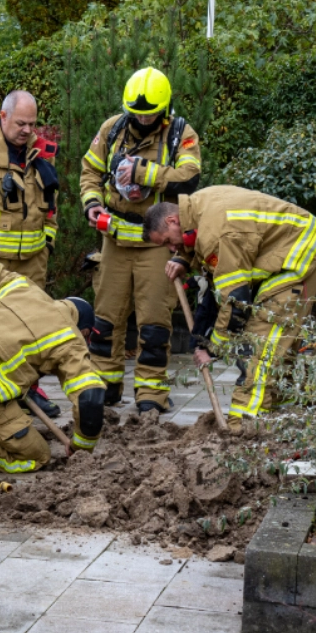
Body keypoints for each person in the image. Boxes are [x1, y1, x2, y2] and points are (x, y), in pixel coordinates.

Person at [143, 187, 316, 433]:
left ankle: (243, 427)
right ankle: (280, 412)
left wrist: (213, 348)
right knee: (279, 343)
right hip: (290, 247)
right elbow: (213, 256)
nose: (172, 249)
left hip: (301, 253)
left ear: (173, 221)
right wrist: (185, 259)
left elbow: (235, 301)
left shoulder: (217, 232)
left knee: (262, 342)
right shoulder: (197, 207)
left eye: (170, 242)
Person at [79, 67, 201, 413]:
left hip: (157, 245)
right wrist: (91, 202)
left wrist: (145, 172)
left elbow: (188, 179)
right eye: (137, 112)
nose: (143, 119)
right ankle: (106, 386)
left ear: (164, 109)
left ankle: (151, 395)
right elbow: (90, 170)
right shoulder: (112, 129)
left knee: (154, 324)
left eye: (150, 114)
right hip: (114, 241)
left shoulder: (180, 134)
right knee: (105, 321)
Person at [0, 261, 105, 474]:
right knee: (37, 456)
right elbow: (90, 398)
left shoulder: (20, 286)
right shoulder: (70, 338)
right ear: (84, 331)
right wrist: (82, 447)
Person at [0, 89, 63, 418]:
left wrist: (48, 242)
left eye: (33, 124)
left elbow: (52, 204)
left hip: (33, 260)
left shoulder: (42, 151)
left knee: (32, 326)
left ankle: (30, 388)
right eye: (21, 123)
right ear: (3, 116)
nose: (27, 130)